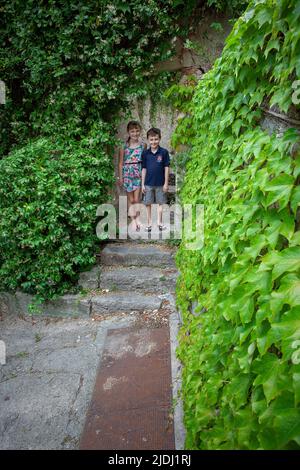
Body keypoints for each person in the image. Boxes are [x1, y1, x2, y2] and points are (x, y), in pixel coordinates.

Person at [118, 120, 145, 231]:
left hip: (138, 173)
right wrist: (121, 177)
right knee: (130, 199)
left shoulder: (143, 145)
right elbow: (120, 163)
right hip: (127, 173)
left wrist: (144, 176)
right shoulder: (124, 146)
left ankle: (138, 218)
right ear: (128, 132)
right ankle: (133, 220)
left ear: (140, 132)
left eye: (137, 131)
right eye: (132, 131)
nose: (135, 133)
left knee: (137, 199)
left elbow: (145, 162)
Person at [141, 127, 170, 232]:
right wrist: (142, 184)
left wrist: (166, 183)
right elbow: (143, 169)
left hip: (160, 183)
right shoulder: (145, 153)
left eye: (156, 139)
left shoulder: (164, 152)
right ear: (148, 140)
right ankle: (149, 223)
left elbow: (166, 168)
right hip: (148, 183)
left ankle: (159, 223)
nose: (154, 141)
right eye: (151, 139)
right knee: (148, 203)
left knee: (160, 203)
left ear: (160, 139)